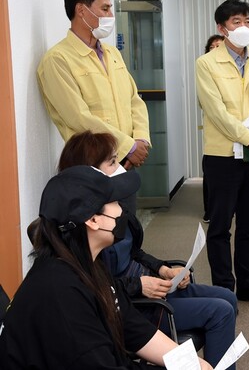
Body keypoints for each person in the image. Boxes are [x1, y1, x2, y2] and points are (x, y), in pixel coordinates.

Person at [0, 166, 212, 370]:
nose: (122, 210)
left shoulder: (89, 264)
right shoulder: (60, 293)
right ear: (93, 220)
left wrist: (189, 362)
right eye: (115, 202)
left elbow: (133, 327)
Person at [56, 130, 236, 368]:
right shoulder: (90, 230)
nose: (121, 167)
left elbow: (134, 252)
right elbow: (99, 287)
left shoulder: (112, 209)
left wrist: (162, 269)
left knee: (228, 297)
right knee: (221, 311)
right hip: (138, 303)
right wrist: (139, 286)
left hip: (151, 286)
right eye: (112, 162)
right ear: (89, 172)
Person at [195, 0, 249, 306]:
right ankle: (223, 291)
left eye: (247, 21)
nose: (243, 27)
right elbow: (216, 112)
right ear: (222, 28)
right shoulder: (206, 64)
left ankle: (248, 285)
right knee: (219, 227)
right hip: (222, 157)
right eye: (236, 22)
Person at [37, 0, 150, 171]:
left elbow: (134, 100)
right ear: (81, 10)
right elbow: (79, 117)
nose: (111, 15)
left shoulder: (112, 54)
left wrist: (140, 140)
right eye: (105, 9)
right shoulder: (57, 60)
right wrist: (128, 147)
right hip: (91, 164)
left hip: (126, 161)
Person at [202, 34, 225, 223]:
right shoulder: (204, 68)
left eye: (220, 46)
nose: (216, 49)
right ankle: (209, 211)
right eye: (212, 47)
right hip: (215, 136)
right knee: (211, 177)